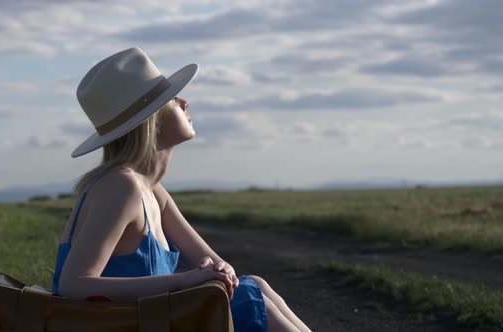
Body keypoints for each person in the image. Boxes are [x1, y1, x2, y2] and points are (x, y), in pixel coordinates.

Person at [51, 47, 311, 332]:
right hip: (121, 324)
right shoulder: (120, 186)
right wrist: (183, 281)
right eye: (172, 99)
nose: (185, 102)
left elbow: (210, 260)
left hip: (149, 320)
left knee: (254, 285)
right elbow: (73, 285)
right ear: (152, 119)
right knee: (247, 298)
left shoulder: (153, 192)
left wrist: (218, 271)